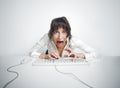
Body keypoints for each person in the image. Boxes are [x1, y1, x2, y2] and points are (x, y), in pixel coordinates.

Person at [29, 16, 96, 60]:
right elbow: (31, 52)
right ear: (51, 33)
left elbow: (95, 53)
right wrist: (45, 56)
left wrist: (79, 55)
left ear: (68, 33)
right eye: (56, 32)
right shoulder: (47, 37)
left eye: (63, 32)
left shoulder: (73, 40)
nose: (60, 37)